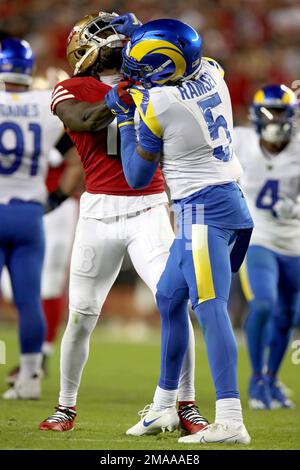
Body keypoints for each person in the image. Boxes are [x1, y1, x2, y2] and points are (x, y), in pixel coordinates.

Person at [39, 12, 207, 435]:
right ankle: (65, 406)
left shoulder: (158, 81)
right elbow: (80, 120)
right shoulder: (72, 88)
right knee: (81, 315)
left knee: (176, 305)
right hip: (97, 212)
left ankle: (184, 404)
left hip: (149, 208)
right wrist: (121, 98)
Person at [105, 18, 253, 444]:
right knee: (170, 298)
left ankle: (230, 418)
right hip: (218, 202)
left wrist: (126, 120)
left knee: (210, 308)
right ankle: (165, 406)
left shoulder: (160, 105)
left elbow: (136, 175)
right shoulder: (210, 69)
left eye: (139, 65)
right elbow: (177, 74)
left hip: (205, 211)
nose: (132, 73)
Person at [0, 38, 81, 399]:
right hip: (31, 213)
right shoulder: (44, 103)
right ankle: (30, 378)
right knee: (29, 298)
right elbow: (75, 150)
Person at [235, 84, 300, 409]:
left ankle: (272, 378)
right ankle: (256, 378)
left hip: (296, 243)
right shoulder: (241, 142)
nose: (273, 118)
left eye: (280, 111)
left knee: (289, 314)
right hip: (259, 238)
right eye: (268, 111)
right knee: (263, 304)